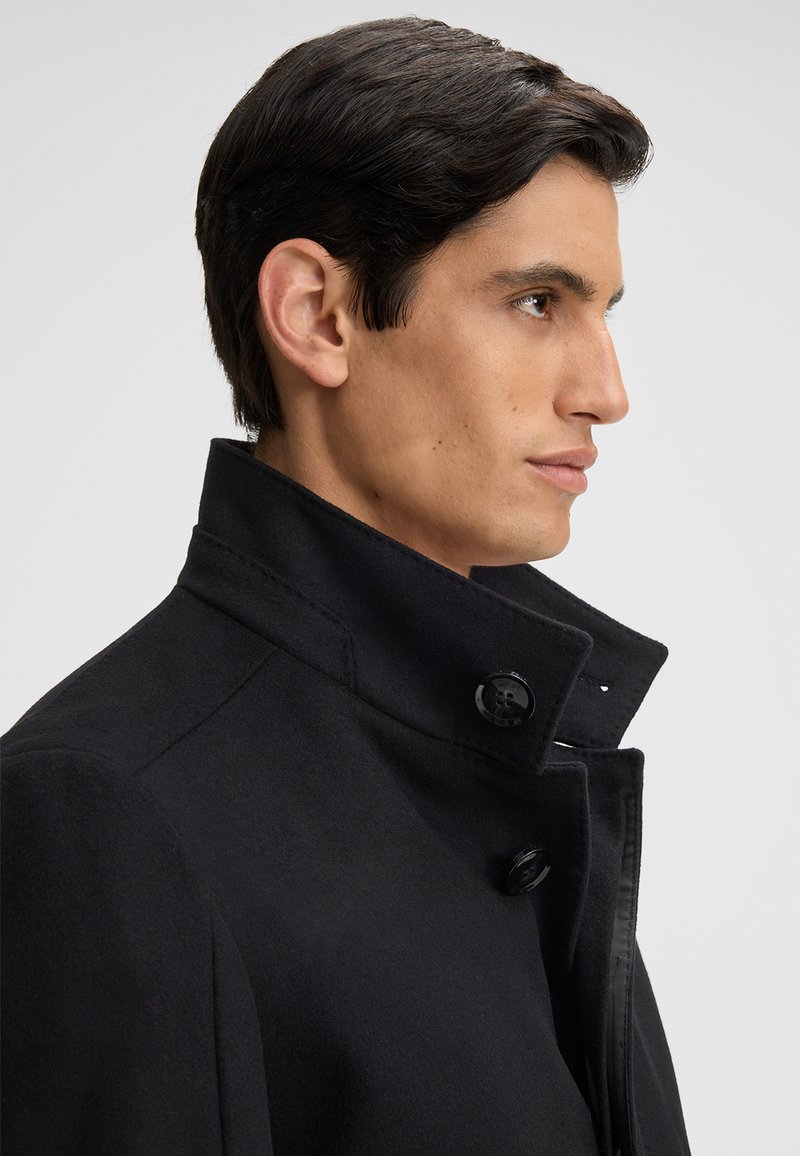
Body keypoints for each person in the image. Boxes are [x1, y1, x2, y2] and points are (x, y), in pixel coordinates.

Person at [1, 15, 692, 1155]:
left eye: (602, 313)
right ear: (317, 315)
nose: (605, 392)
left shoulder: (515, 761)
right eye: (536, 302)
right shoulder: (107, 813)